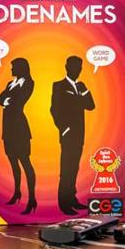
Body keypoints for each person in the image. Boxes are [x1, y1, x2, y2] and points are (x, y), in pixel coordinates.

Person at [50, 56, 95, 214]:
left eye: (80, 67)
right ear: (67, 67)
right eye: (75, 66)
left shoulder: (81, 87)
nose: (78, 70)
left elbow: (90, 106)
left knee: (74, 167)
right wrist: (63, 128)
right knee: (67, 168)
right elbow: (54, 109)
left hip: (79, 134)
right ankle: (64, 203)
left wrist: (85, 90)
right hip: (68, 134)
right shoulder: (59, 86)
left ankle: (72, 198)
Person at [0, 58, 36, 214]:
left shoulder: (28, 83)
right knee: (13, 162)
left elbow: (18, 101)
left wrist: (6, 100)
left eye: (13, 67)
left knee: (25, 162)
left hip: (20, 129)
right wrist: (6, 100)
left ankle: (32, 198)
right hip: (8, 129)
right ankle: (17, 192)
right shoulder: (10, 83)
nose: (11, 70)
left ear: (21, 68)